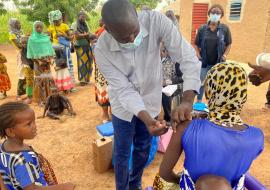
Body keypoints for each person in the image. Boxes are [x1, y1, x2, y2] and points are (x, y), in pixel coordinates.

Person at [94, 1, 201, 189]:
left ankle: (135, 185)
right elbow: (125, 90)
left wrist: (187, 99)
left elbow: (187, 57)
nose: (132, 38)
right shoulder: (102, 49)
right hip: (123, 108)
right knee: (122, 152)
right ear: (108, 30)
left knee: (143, 151)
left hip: (150, 102)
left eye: (135, 31)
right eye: (125, 37)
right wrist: (147, 120)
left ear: (137, 16)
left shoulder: (156, 21)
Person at [157, 62, 264, 189]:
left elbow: (164, 173)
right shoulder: (257, 137)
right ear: (243, 97)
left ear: (209, 93)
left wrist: (181, 179)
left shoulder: (186, 127)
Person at [0, 102, 76, 190]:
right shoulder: (23, 160)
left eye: (34, 121)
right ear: (10, 132)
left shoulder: (3, 147)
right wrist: (63, 187)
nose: (35, 126)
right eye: (29, 124)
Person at [194, 4, 232, 102]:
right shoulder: (202, 28)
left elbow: (229, 44)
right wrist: (198, 54)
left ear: (221, 15)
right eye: (213, 13)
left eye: (218, 13)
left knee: (218, 83)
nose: (215, 14)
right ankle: (199, 101)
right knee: (201, 82)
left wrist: (225, 55)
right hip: (204, 62)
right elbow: (196, 44)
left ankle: (215, 102)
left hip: (219, 63)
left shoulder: (225, 29)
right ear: (209, 14)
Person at [27, 21, 56, 106]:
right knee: (39, 80)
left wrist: (50, 59)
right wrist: (38, 61)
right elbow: (31, 53)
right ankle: (40, 100)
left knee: (48, 79)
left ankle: (48, 98)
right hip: (38, 63)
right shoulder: (31, 39)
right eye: (37, 27)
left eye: (40, 27)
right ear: (34, 28)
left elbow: (50, 50)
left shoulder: (46, 38)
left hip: (46, 62)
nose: (39, 29)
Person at [48, 10, 75, 93]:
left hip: (65, 48)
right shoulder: (51, 27)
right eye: (54, 21)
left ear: (61, 19)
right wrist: (50, 38)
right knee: (59, 67)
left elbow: (71, 38)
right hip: (55, 48)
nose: (56, 23)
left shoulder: (65, 26)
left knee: (68, 66)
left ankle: (71, 86)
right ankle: (62, 86)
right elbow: (50, 38)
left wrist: (63, 35)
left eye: (58, 21)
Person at [71, 11, 95, 86]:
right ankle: (82, 80)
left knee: (89, 62)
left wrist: (88, 35)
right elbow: (76, 35)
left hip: (87, 45)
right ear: (78, 17)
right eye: (82, 16)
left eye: (84, 17)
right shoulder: (74, 24)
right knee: (82, 63)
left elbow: (89, 33)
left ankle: (87, 79)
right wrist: (86, 34)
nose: (83, 18)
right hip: (80, 46)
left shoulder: (86, 24)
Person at [94, 19, 111, 123]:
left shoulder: (118, 29)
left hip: (116, 65)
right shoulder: (101, 32)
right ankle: (105, 113)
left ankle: (113, 112)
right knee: (103, 89)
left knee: (115, 90)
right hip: (103, 66)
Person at [161, 46, 182, 123]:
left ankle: (168, 118)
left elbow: (181, 77)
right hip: (157, 85)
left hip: (171, 86)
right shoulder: (154, 60)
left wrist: (169, 81)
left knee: (165, 95)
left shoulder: (176, 61)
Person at [8, 18, 26, 101]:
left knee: (26, 71)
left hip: (26, 52)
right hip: (20, 54)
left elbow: (25, 41)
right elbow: (19, 45)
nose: (20, 24)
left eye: (20, 23)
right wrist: (26, 42)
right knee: (21, 72)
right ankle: (19, 93)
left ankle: (25, 92)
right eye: (18, 23)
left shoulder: (21, 32)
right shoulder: (12, 34)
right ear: (13, 25)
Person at [21, 36, 34, 104]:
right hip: (27, 67)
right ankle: (29, 95)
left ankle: (30, 97)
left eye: (26, 43)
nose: (24, 45)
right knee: (28, 81)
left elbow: (32, 59)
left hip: (30, 67)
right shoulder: (23, 50)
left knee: (30, 81)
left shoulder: (30, 50)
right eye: (22, 43)